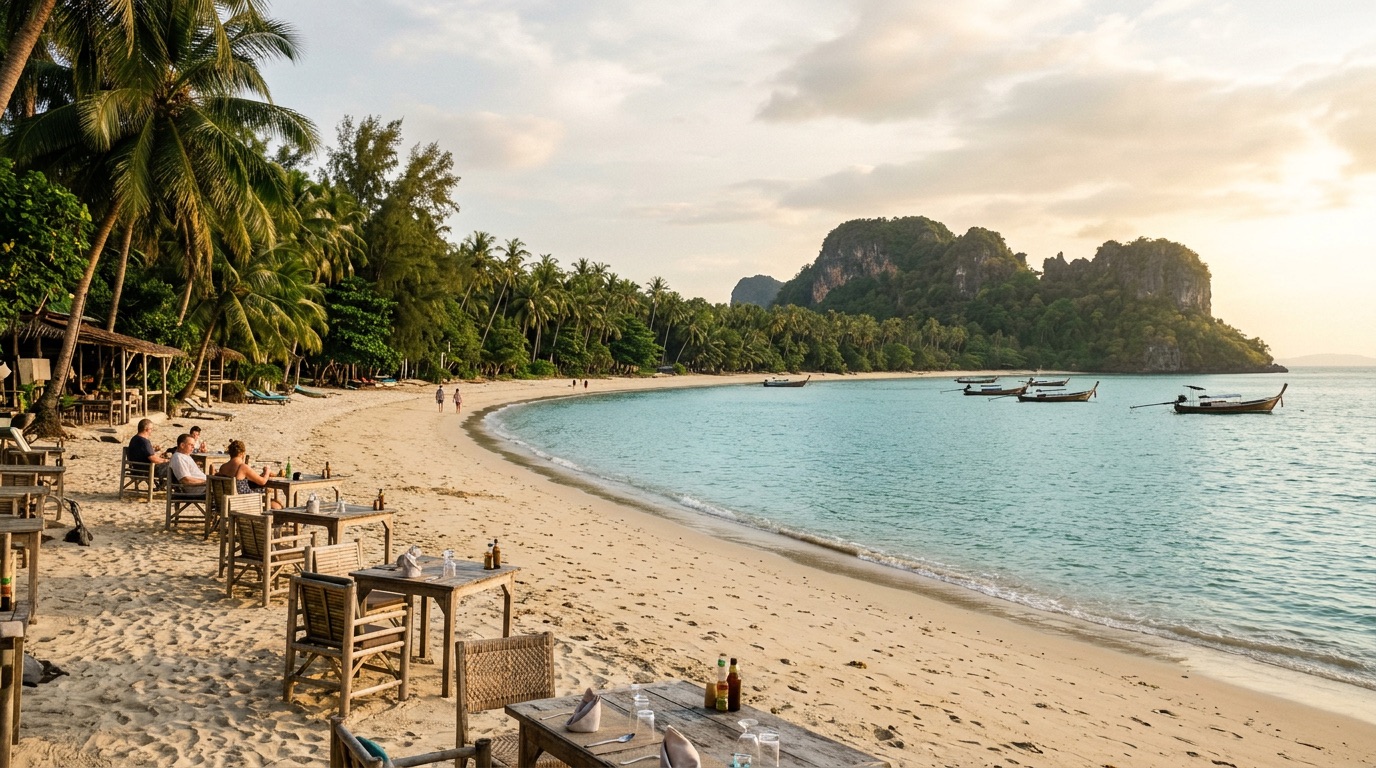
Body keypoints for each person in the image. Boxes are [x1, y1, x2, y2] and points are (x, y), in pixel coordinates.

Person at [214, 439, 281, 509]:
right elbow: (262, 481)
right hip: (244, 502)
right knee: (276, 504)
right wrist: (267, 471)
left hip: (227, 503)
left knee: (269, 496)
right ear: (242, 453)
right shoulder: (243, 467)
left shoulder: (223, 467)